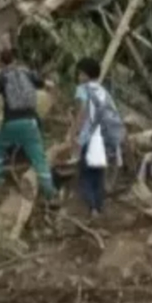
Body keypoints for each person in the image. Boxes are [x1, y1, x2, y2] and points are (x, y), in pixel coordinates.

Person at [0, 48, 56, 200]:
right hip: (31, 123)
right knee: (39, 158)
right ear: (15, 60)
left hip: (12, 122)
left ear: (1, 62)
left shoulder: (0, 76)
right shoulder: (27, 72)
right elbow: (48, 85)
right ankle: (50, 192)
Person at [65, 57, 123, 218]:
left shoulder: (83, 89)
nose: (78, 77)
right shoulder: (103, 91)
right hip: (107, 138)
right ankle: (99, 207)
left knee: (85, 174)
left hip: (91, 138)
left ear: (84, 74)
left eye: (80, 73)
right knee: (98, 174)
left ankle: (92, 210)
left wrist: (73, 133)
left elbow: (82, 112)